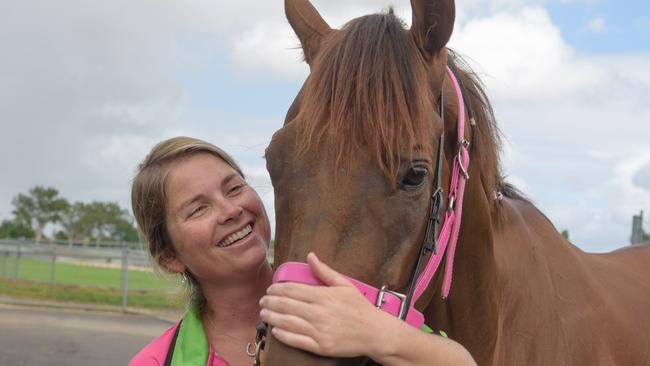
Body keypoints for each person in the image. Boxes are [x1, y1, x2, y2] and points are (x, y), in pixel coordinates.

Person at [129, 136, 476, 366]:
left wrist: (375, 333)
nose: (231, 210)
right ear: (169, 256)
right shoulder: (158, 361)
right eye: (198, 209)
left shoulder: (344, 303)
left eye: (234, 188)